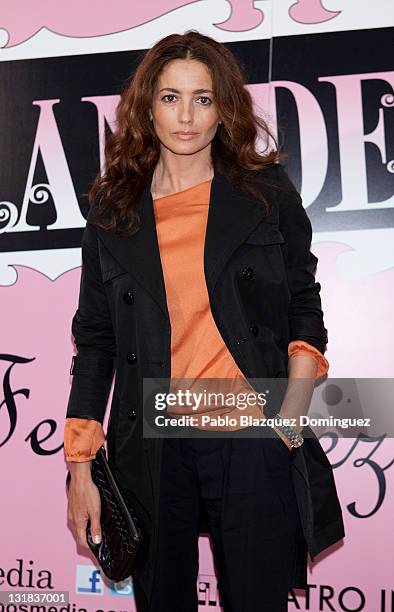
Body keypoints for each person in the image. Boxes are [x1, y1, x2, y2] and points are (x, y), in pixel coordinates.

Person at [64, 31, 345, 611]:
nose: (186, 116)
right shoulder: (112, 208)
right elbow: (95, 341)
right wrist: (81, 464)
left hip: (249, 432)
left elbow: (303, 305)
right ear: (147, 107)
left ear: (225, 109)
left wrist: (289, 417)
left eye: (203, 98)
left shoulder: (263, 192)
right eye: (170, 98)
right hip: (151, 441)